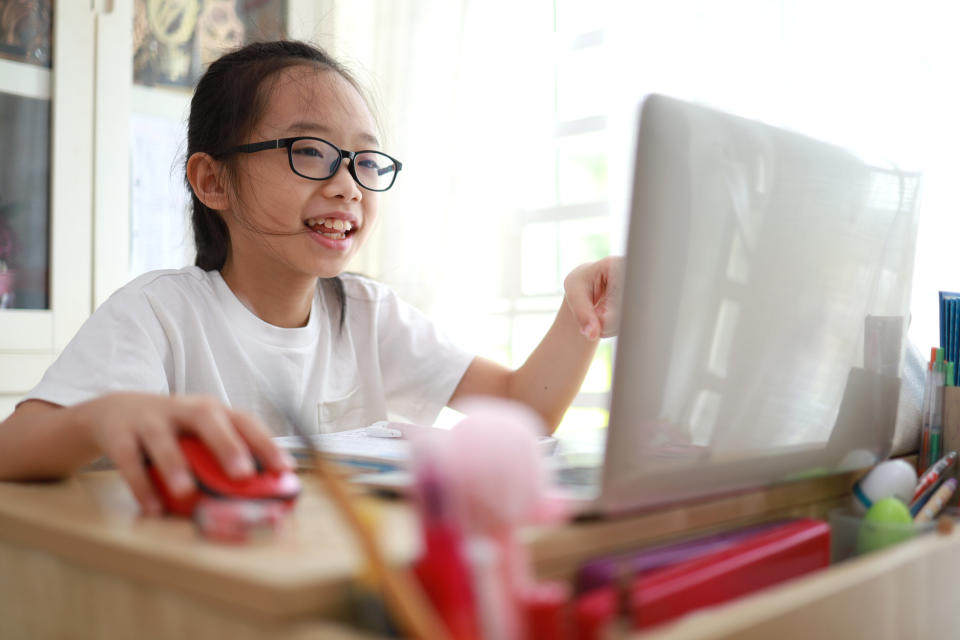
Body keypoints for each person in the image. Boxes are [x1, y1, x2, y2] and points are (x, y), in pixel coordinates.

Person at [0, 41, 621, 515]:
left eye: (363, 159)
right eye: (311, 151)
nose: (348, 184)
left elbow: (520, 410)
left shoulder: (365, 311)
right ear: (213, 180)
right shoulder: (159, 314)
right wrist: (99, 416)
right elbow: (12, 448)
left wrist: (581, 315)